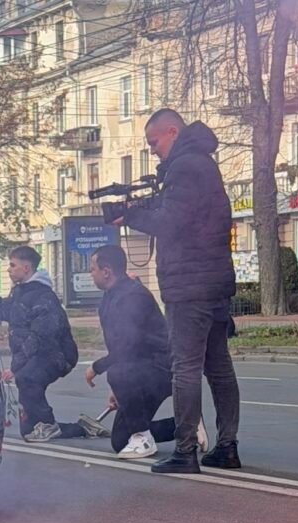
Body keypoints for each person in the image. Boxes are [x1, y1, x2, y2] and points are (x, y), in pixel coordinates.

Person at [102, 108, 241, 474]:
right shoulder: (203, 165)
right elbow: (181, 212)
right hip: (212, 281)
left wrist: (129, 216)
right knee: (219, 367)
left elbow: (170, 222)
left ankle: (185, 450)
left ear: (172, 131)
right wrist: (137, 207)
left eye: (153, 142)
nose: (152, 150)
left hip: (189, 285)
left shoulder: (185, 167)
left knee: (186, 368)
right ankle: (227, 446)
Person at [0, 246, 80, 443]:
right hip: (38, 354)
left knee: (27, 378)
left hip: (56, 354)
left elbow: (40, 336)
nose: (9, 270)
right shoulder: (20, 293)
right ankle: (74, 428)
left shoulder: (43, 296)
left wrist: (16, 367)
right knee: (28, 430)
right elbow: (3, 309)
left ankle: (47, 424)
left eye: (12, 265)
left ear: (26, 267)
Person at [84, 245, 196, 458]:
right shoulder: (110, 297)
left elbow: (129, 344)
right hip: (138, 369)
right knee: (119, 440)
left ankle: (143, 438)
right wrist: (122, 391)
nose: (91, 274)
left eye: (93, 269)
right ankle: (186, 426)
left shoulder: (132, 296)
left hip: (160, 367)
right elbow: (120, 348)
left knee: (117, 373)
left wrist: (97, 367)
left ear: (106, 271)